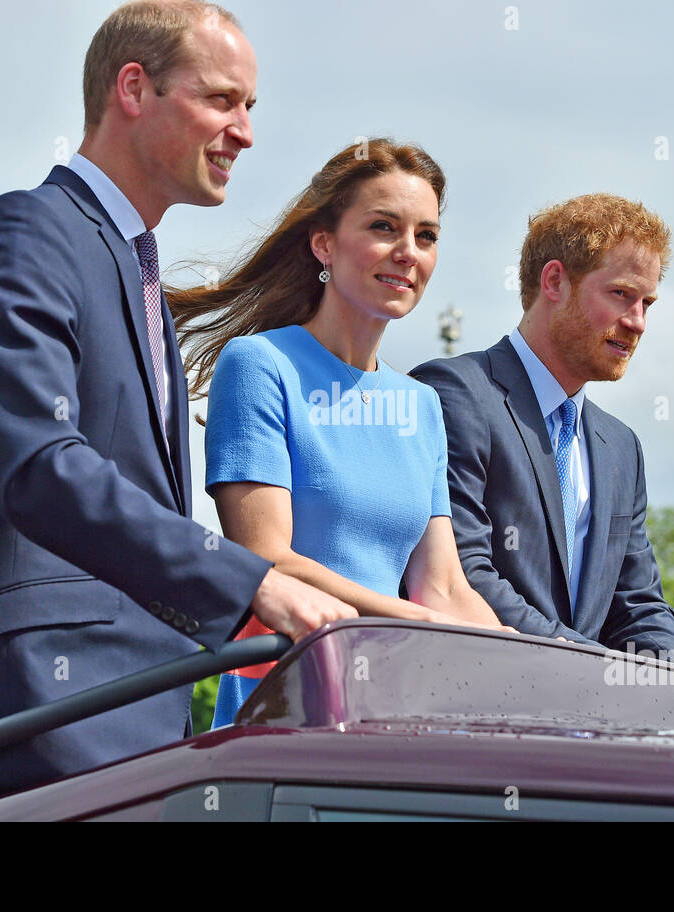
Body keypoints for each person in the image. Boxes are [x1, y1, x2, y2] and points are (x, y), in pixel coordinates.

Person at [0, 0, 354, 811]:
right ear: (132, 88)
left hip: (145, 725)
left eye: (250, 108)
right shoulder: (27, 234)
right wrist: (246, 581)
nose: (245, 132)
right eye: (222, 100)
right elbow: (40, 467)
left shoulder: (138, 273)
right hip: (38, 716)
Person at [171, 139, 507, 726]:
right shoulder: (259, 366)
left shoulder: (422, 405)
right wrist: (414, 621)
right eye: (384, 227)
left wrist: (530, 661)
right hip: (286, 708)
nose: (408, 252)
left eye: (426, 236)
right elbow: (268, 559)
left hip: (392, 712)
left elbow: (443, 587)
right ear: (323, 243)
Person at [411, 193, 674, 659]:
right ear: (555, 281)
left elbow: (638, 607)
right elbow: (461, 572)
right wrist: (592, 666)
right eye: (622, 294)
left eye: (648, 302)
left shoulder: (622, 448)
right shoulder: (453, 395)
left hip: (583, 718)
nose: (638, 321)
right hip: (476, 703)